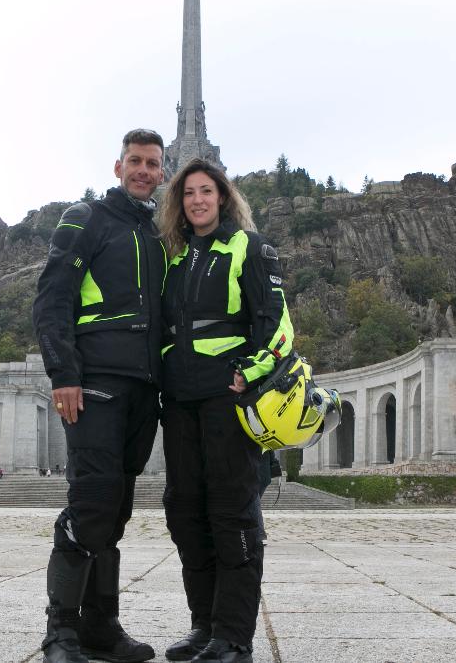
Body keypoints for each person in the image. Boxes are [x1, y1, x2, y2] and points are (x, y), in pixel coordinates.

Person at [32, 129, 168, 663]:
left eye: (152, 164)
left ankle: (102, 627)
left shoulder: (160, 234)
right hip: (92, 384)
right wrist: (63, 372)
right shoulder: (86, 217)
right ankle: (60, 631)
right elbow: (53, 297)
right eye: (135, 161)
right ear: (118, 167)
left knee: (116, 512)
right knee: (90, 505)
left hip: (143, 390)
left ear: (162, 172)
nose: (143, 170)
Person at [158, 158, 293, 663]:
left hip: (228, 400)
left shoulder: (251, 248)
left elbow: (279, 327)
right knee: (185, 510)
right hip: (180, 402)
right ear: (180, 202)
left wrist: (252, 373)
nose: (197, 200)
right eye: (189, 192)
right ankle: (204, 626)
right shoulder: (174, 259)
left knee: (232, 513)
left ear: (223, 197)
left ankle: (234, 638)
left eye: (206, 191)